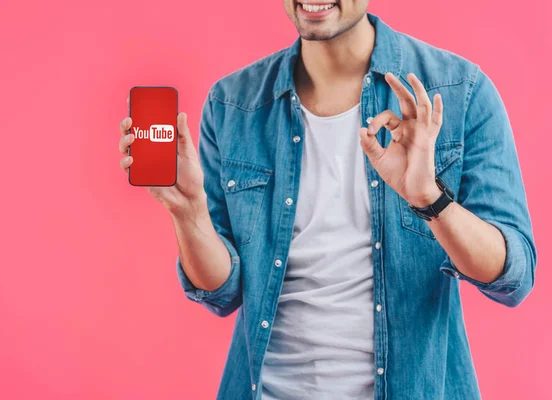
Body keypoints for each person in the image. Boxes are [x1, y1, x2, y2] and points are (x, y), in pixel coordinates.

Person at [118, 2, 537, 399]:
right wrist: (189, 213)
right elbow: (223, 293)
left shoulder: (459, 91)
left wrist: (428, 198)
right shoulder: (234, 105)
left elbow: (512, 275)